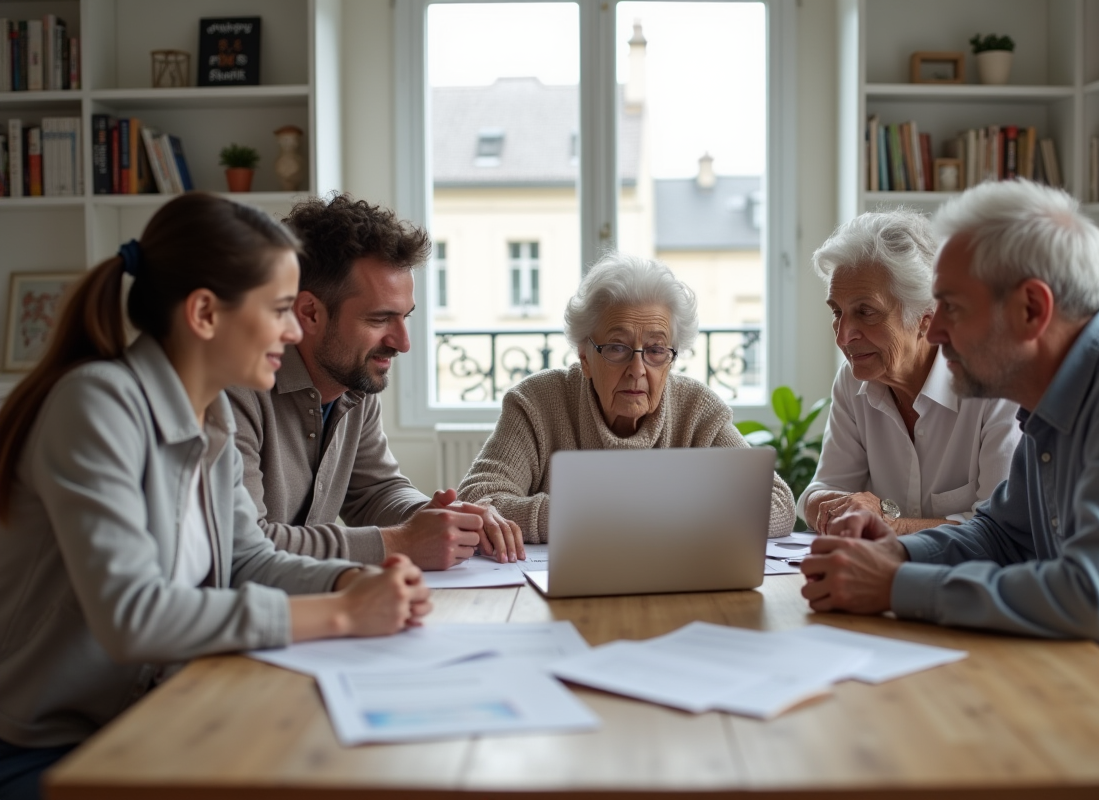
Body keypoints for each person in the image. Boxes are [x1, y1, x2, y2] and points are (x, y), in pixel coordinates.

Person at [0, 193, 431, 799]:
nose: (292, 329)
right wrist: (340, 613)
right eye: (280, 308)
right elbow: (133, 617)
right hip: (49, 745)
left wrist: (346, 582)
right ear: (204, 314)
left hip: (155, 715)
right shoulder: (98, 404)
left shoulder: (210, 420)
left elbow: (246, 560)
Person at [800, 180, 1099, 704]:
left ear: (1032, 309)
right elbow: (1001, 535)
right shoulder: (1052, 398)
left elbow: (1094, 599)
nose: (934, 329)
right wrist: (895, 550)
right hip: (1090, 683)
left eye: (952, 307)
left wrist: (895, 585)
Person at [227, 194, 523, 571]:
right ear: (309, 313)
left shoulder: (352, 383)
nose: (403, 343)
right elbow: (248, 546)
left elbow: (374, 490)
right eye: (380, 319)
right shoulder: (235, 386)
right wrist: (401, 541)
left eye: (405, 317)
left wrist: (436, 517)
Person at [458, 251, 797, 542]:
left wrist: (657, 513)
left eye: (655, 349)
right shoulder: (538, 402)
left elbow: (778, 505)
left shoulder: (697, 409)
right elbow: (476, 501)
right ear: (585, 356)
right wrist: (589, 514)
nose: (638, 369)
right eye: (618, 347)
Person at [798, 209, 1022, 534]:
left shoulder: (995, 384)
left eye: (866, 312)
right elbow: (824, 487)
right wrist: (831, 505)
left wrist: (890, 523)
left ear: (925, 320)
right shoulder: (852, 381)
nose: (843, 336)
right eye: (837, 312)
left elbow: (1000, 531)